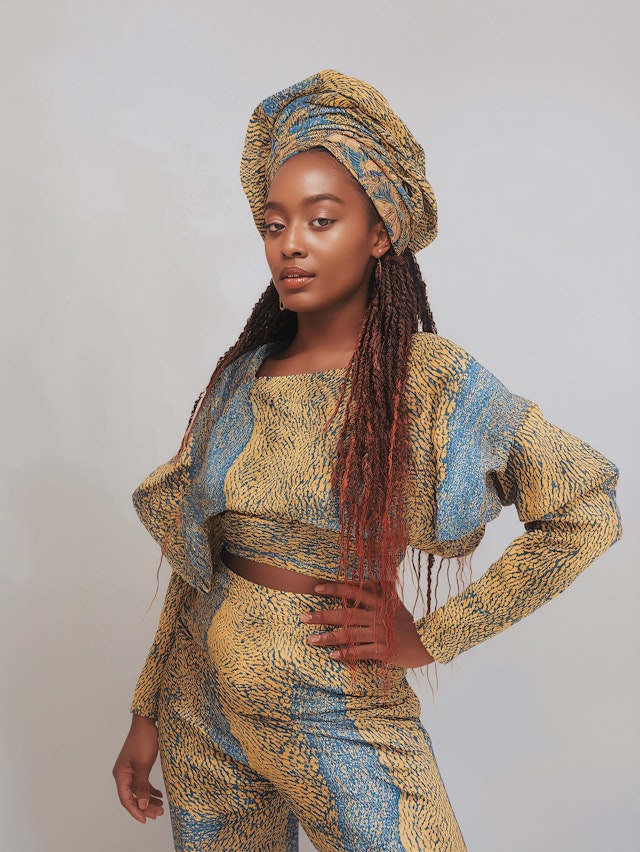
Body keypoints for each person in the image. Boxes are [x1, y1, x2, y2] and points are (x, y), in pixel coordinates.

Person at [112, 70, 622, 852]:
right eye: (275, 224)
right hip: (202, 711)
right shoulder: (241, 379)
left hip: (336, 703)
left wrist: (432, 637)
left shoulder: (430, 379)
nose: (290, 243)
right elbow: (198, 559)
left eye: (321, 219)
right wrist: (147, 712)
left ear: (380, 232)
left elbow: (585, 509)